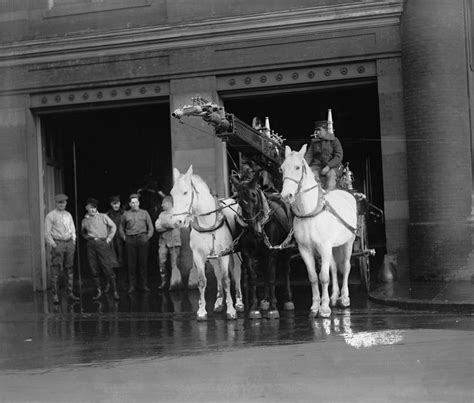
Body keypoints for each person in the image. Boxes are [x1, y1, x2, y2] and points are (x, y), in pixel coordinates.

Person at [81, 197, 120, 300]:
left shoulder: (103, 216)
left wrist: (109, 238)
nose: (93, 210)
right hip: (91, 244)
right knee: (93, 267)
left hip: (102, 243)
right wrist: (87, 238)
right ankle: (99, 291)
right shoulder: (85, 220)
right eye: (91, 208)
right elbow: (83, 232)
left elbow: (113, 226)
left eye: (94, 208)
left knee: (107, 266)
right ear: (87, 208)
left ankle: (115, 291)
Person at [44, 193, 79, 304]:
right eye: (59, 203)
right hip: (58, 243)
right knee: (56, 269)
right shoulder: (51, 216)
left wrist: (73, 240)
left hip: (69, 243)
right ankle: (55, 295)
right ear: (56, 203)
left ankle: (70, 292)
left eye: (63, 202)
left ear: (66, 203)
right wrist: (53, 244)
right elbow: (47, 233)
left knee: (69, 268)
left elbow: (73, 229)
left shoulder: (68, 215)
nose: (61, 205)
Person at [119, 194, 154, 293]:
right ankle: (132, 286)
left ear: (139, 203)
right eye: (132, 203)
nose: (134, 204)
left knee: (143, 263)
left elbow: (150, 226)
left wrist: (147, 237)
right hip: (130, 239)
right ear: (130, 204)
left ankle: (144, 285)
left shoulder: (145, 213)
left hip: (142, 238)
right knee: (131, 264)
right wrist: (125, 238)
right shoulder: (125, 214)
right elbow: (121, 228)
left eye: (136, 202)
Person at [304, 120, 343, 191]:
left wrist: (328, 166)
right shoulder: (314, 142)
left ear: (325, 130)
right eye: (316, 130)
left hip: (333, 167)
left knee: (330, 175)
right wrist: (304, 166)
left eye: (319, 130)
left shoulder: (334, 140)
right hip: (317, 166)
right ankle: (316, 194)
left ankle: (330, 195)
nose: (317, 132)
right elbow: (308, 156)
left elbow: (338, 156)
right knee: (310, 173)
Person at [155, 196, 182, 291]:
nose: (162, 205)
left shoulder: (177, 213)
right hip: (163, 241)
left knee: (174, 263)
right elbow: (158, 227)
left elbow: (177, 224)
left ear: (169, 203)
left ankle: (174, 282)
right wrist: (169, 225)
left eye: (164, 203)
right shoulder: (161, 214)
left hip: (174, 241)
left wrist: (166, 224)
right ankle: (164, 281)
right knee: (162, 261)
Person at [106, 195, 126, 291]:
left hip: (122, 240)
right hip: (111, 240)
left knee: (123, 261)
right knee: (110, 263)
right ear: (111, 204)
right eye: (114, 204)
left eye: (117, 203)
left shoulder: (124, 214)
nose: (116, 205)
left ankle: (123, 284)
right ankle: (110, 284)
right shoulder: (107, 215)